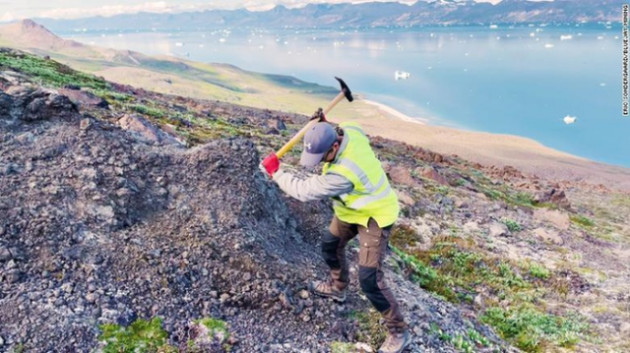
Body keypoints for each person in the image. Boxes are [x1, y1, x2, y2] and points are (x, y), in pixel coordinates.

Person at [259, 112, 411, 353]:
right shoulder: (350, 130)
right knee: (330, 245)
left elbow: (304, 191)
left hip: (376, 216)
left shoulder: (343, 174)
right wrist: (323, 122)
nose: (319, 162)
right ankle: (338, 288)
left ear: (336, 145)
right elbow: (350, 123)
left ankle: (399, 332)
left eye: (323, 156)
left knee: (369, 279)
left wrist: (275, 173)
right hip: (351, 210)